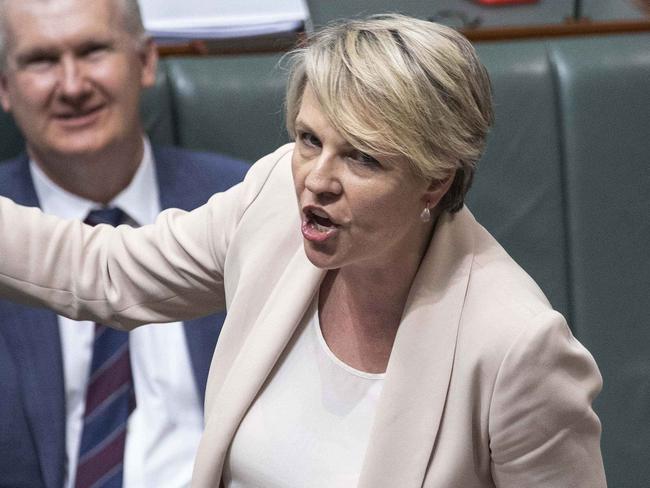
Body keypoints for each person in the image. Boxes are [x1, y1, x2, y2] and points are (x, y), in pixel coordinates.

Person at [0, 13, 606, 487]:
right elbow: (106, 273)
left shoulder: (518, 348)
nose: (317, 179)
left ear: (435, 179)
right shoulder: (272, 202)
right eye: (309, 140)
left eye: (362, 156)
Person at [0, 0, 248, 486]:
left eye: (93, 51)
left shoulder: (243, 207)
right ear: (4, 88)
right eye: (42, 61)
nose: (72, 87)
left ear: (146, 61)